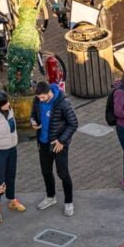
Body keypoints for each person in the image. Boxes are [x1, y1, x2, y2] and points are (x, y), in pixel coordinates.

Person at [30, 81, 78, 216]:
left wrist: (62, 141)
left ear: (49, 93)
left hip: (58, 144)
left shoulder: (63, 103)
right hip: (43, 143)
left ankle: (69, 202)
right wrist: (33, 122)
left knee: (63, 173)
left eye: (43, 97)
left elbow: (73, 123)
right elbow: (33, 114)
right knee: (46, 171)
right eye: (39, 98)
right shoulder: (37, 100)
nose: (40, 100)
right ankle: (50, 197)